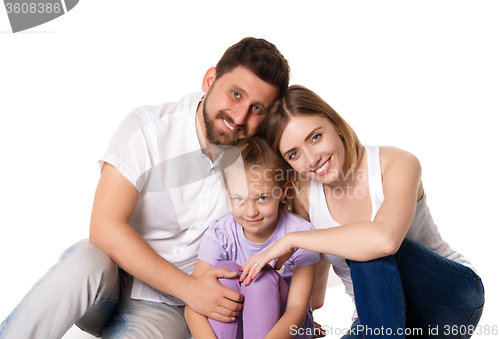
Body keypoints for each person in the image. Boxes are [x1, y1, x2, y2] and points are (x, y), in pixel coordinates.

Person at [0, 37, 290, 339]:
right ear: (210, 79)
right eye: (235, 94)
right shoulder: (147, 128)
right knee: (82, 261)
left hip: (169, 307)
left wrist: (300, 311)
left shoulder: (261, 165)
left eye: (257, 108)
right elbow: (104, 227)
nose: (240, 116)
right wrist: (190, 288)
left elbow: (301, 223)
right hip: (110, 277)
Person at [240, 85, 485, 338]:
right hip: (380, 320)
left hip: (450, 298)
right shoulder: (304, 196)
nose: (312, 159)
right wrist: (298, 316)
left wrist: (291, 239)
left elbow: (385, 241)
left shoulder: (396, 164)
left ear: (335, 124)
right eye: (294, 154)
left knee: (364, 248)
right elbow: (317, 294)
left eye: (315, 137)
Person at [185, 136, 320, 339]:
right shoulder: (220, 234)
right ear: (229, 194)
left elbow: (296, 309)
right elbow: (193, 304)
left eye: (262, 198)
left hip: (286, 329)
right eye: (238, 199)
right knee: (224, 274)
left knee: (260, 277)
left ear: (282, 192)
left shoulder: (300, 235)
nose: (250, 212)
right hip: (236, 329)